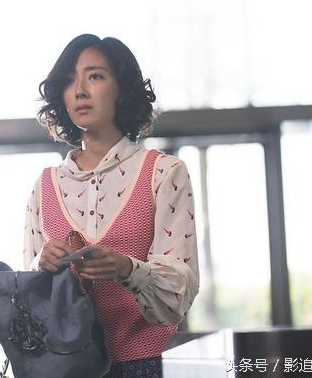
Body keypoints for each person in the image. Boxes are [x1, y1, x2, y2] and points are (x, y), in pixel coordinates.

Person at [22, 34, 200, 378]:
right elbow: (30, 301)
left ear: (122, 89)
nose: (80, 90)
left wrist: (127, 269)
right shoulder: (45, 184)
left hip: (147, 366)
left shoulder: (164, 173)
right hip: (68, 369)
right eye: (69, 80)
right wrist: (39, 264)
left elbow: (180, 292)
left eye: (95, 76)